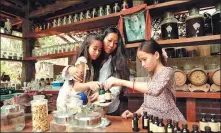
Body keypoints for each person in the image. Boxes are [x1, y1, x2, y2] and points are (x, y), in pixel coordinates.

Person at [104, 39, 186, 122]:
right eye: (140, 61)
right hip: (152, 121)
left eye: (144, 59)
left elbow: (154, 89)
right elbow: (148, 103)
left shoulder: (167, 71)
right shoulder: (151, 75)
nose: (142, 64)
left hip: (168, 122)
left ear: (156, 55)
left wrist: (121, 81)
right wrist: (135, 114)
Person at [89, 27, 130, 116]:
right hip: (92, 107)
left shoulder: (118, 61)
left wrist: (101, 96)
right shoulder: (94, 56)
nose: (112, 45)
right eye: (109, 40)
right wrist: (68, 69)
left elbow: (117, 87)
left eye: (115, 43)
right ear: (103, 38)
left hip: (111, 108)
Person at [56, 34, 103, 111]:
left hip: (75, 102)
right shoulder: (82, 61)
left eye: (100, 50)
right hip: (68, 102)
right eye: (94, 49)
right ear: (87, 47)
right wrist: (90, 84)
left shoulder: (90, 64)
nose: (97, 52)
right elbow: (76, 87)